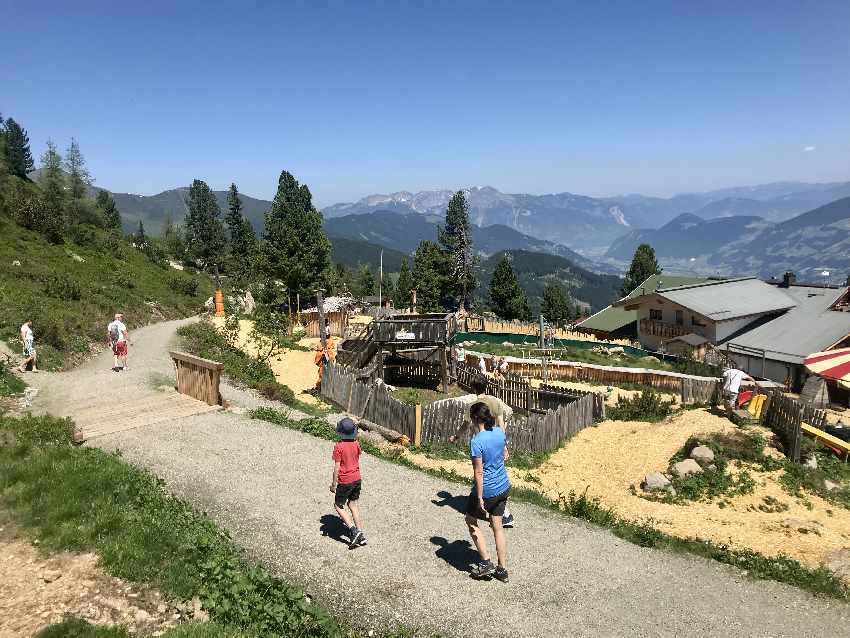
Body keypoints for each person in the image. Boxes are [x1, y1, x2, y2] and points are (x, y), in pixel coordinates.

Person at [449, 377, 515, 528]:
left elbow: (465, 425)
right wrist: (504, 446)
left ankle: (500, 512)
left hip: (481, 445)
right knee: (496, 473)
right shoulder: (495, 401)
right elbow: (501, 424)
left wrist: (456, 436)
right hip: (496, 442)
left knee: (481, 473)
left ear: (473, 389)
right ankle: (498, 509)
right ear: (487, 386)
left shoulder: (472, 405)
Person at [464, 402, 510, 582]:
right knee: (497, 527)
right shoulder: (499, 432)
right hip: (503, 485)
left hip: (488, 489)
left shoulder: (476, 442)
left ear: (475, 418)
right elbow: (504, 454)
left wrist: (480, 497)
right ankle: (502, 569)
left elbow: (479, 472)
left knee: (471, 521)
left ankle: (485, 563)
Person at [329, 417, 368, 549]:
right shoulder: (357, 444)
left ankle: (353, 530)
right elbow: (358, 453)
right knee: (353, 504)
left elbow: (337, 467)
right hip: (357, 478)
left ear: (340, 431)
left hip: (345, 480)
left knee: (338, 505)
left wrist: (334, 484)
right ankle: (361, 534)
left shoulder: (339, 446)